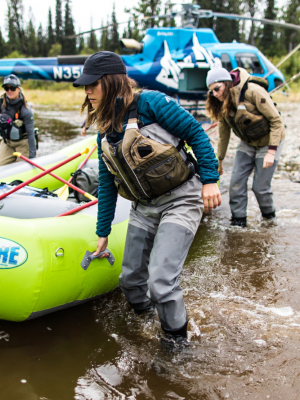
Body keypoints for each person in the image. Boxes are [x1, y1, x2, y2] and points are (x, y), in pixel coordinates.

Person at [73, 51, 221, 344]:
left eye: (93, 84)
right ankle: (148, 322)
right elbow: (106, 182)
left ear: (112, 82)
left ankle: (176, 344)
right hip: (144, 208)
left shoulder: (151, 103)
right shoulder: (104, 131)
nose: (87, 90)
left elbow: (196, 132)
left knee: (161, 282)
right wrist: (102, 233)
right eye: (85, 85)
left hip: (181, 200)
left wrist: (210, 180)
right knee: (130, 282)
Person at [206, 66, 285, 227]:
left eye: (217, 89)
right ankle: (238, 223)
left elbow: (277, 122)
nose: (215, 94)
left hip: (269, 142)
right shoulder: (222, 103)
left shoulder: (253, 91)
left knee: (260, 188)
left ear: (227, 84)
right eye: (211, 92)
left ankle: (269, 221)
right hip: (247, 143)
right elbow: (223, 135)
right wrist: (219, 161)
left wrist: (271, 152)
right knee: (235, 183)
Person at [0, 74, 36, 167]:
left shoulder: (26, 110)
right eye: (6, 88)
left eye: (12, 88)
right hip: (7, 142)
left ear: (18, 89)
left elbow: (31, 134)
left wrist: (32, 157)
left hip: (23, 143)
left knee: (21, 168)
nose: (9, 91)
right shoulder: (1, 102)